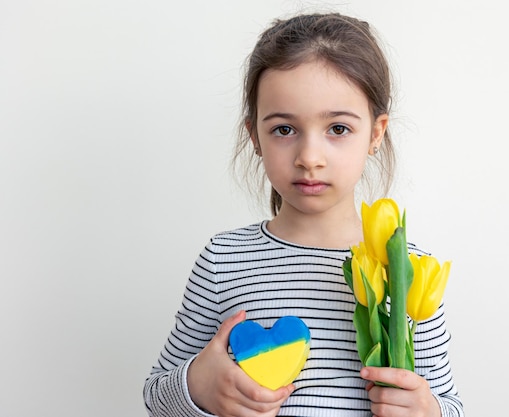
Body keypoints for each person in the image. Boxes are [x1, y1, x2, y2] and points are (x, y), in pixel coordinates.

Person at [143, 12, 464, 417]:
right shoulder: (222, 259)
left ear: (376, 133)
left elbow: (449, 402)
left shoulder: (407, 272)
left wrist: (428, 411)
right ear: (254, 136)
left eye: (338, 129)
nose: (309, 158)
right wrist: (199, 384)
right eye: (284, 130)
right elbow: (156, 395)